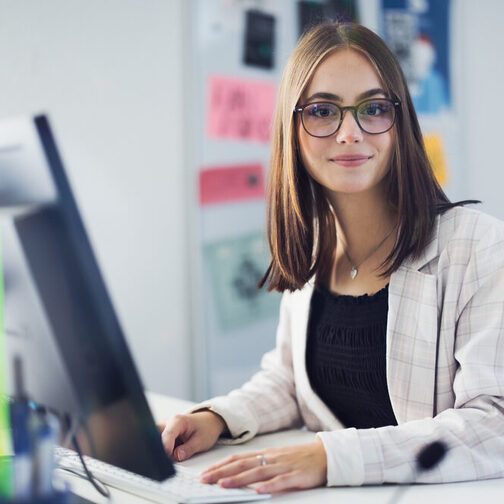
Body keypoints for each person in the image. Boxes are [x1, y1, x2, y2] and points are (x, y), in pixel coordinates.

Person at [159, 21, 504, 492]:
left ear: (399, 123)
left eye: (374, 108)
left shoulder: (478, 248)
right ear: (292, 128)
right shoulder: (316, 250)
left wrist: (332, 457)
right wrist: (219, 417)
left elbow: (494, 424)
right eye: (323, 111)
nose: (349, 133)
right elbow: (290, 382)